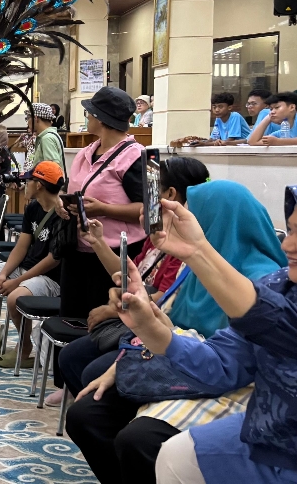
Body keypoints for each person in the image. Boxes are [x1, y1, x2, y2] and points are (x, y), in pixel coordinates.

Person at [64, 179, 285, 484]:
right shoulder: (194, 266)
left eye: (195, 215)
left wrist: (149, 333)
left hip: (232, 385)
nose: (287, 245)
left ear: (218, 219)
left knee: (138, 437)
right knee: (86, 412)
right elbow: (209, 345)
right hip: (195, 359)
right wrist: (145, 326)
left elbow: (232, 363)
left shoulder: (263, 281)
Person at [60, 157, 208, 399]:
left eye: (151, 191)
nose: (145, 200)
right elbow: (130, 275)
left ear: (170, 194)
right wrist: (97, 241)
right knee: (72, 357)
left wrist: (113, 311)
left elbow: (162, 298)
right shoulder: (159, 231)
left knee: (89, 368)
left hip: (156, 327)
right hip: (135, 319)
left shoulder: (183, 241)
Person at [50, 86, 146, 406]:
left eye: (90, 113)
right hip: (79, 246)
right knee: (72, 314)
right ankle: (66, 380)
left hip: (116, 254)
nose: (87, 117)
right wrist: (65, 206)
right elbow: (71, 188)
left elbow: (147, 211)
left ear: (101, 119)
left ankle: (97, 386)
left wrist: (103, 209)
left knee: (102, 321)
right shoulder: (85, 151)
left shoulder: (136, 157)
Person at [0, 161, 63, 366]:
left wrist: (18, 282)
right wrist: (5, 273)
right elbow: (21, 246)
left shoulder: (62, 214)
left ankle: (25, 348)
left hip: (49, 277)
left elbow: (53, 260)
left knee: (15, 299)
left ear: (40, 184)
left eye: (28, 181)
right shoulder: (34, 207)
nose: (24, 185)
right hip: (25, 267)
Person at [24, 102, 65, 171]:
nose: (27, 122)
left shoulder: (47, 138)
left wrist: (34, 182)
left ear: (35, 118)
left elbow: (52, 171)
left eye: (28, 118)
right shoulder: (50, 135)